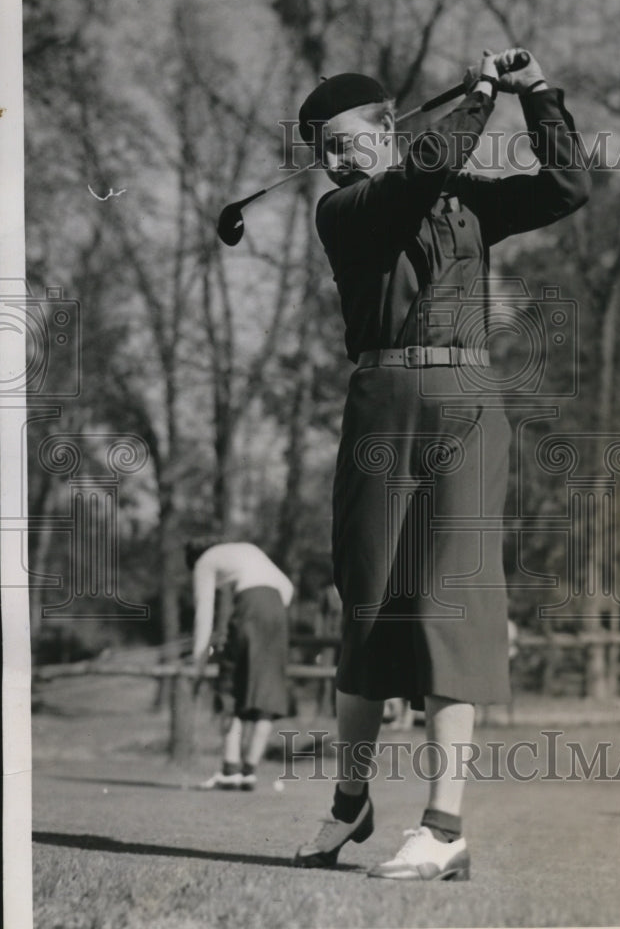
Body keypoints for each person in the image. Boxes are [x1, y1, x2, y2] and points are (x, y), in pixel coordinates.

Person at [293, 47, 590, 878]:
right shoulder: (346, 208)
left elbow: (568, 187)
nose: (335, 158)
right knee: (368, 606)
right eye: (323, 149)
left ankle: (444, 827)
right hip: (381, 401)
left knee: (447, 607)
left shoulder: (462, 200)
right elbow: (419, 175)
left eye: (347, 140)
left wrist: (533, 95)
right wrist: (481, 96)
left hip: (467, 401)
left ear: (386, 128)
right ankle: (349, 806)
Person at [186, 539, 294, 790]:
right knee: (267, 691)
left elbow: (204, 611)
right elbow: (287, 587)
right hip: (277, 611)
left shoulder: (204, 561)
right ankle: (249, 771)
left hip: (250, 608)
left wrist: (199, 661)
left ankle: (230, 769)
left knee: (230, 686)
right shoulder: (247, 550)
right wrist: (270, 614)